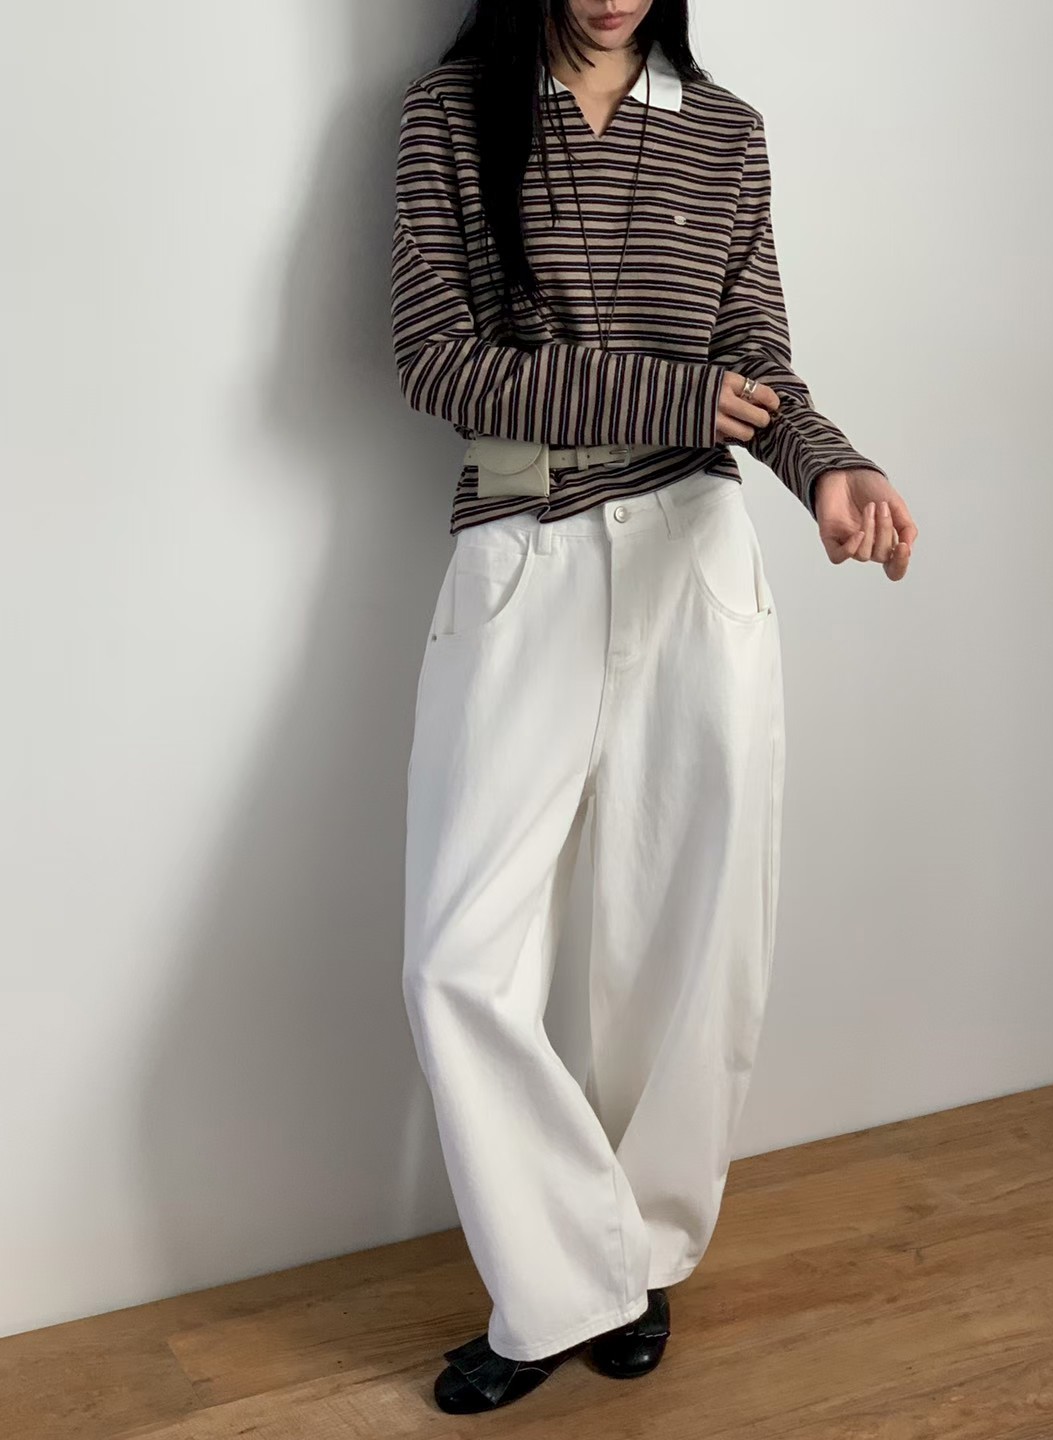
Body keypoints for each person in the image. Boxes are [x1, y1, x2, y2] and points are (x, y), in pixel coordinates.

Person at [390, 0, 917, 1415]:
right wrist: (678, 396)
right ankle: (572, 1277)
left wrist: (830, 468)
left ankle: (637, 1254)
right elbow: (438, 362)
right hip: (525, 554)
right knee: (457, 958)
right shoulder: (453, 114)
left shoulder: (726, 130)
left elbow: (760, 363)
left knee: (686, 935)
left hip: (696, 555)